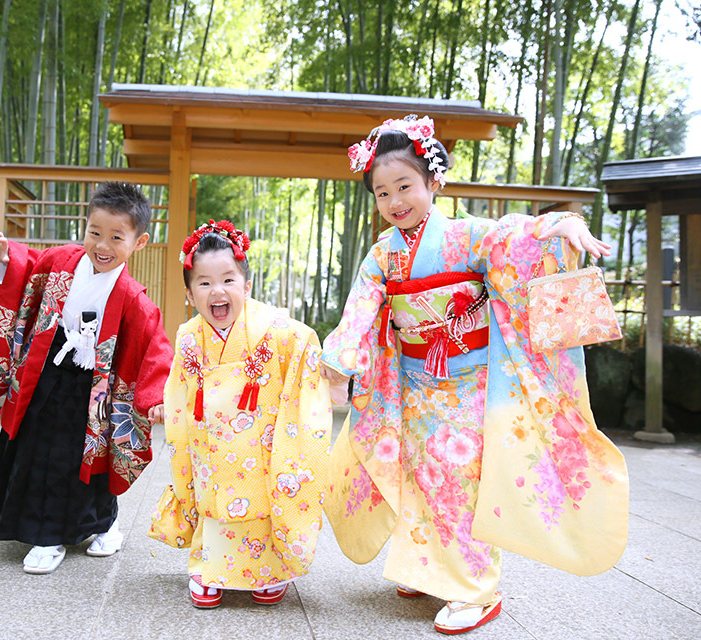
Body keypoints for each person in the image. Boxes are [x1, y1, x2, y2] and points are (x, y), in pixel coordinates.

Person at [319, 115, 628, 634]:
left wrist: (563, 226)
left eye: (405, 186)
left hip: (469, 384)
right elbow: (361, 307)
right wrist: (339, 360)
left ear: (432, 182)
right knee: (417, 475)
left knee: (457, 479)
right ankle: (430, 568)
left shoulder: (466, 236)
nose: (396, 201)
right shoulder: (382, 256)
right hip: (414, 383)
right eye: (382, 193)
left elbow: (518, 238)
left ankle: (476, 588)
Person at [0, 181, 173, 574]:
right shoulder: (60, 261)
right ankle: (47, 535)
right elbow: (27, 272)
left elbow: (154, 349)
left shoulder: (132, 297)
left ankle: (103, 525)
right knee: (38, 449)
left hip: (94, 392)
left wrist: (155, 397)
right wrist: (8, 258)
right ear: (85, 226)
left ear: (139, 241)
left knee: (86, 460)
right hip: (45, 373)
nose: (102, 245)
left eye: (116, 237)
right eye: (95, 232)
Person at [149, 220, 332, 608]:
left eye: (228, 280)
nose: (218, 291)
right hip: (209, 444)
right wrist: (170, 410)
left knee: (260, 498)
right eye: (204, 282)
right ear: (189, 292)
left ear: (246, 286)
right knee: (212, 498)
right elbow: (179, 387)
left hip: (257, 444)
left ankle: (268, 568)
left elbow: (305, 348)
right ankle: (209, 565)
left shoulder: (279, 332)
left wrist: (332, 361)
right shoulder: (187, 336)